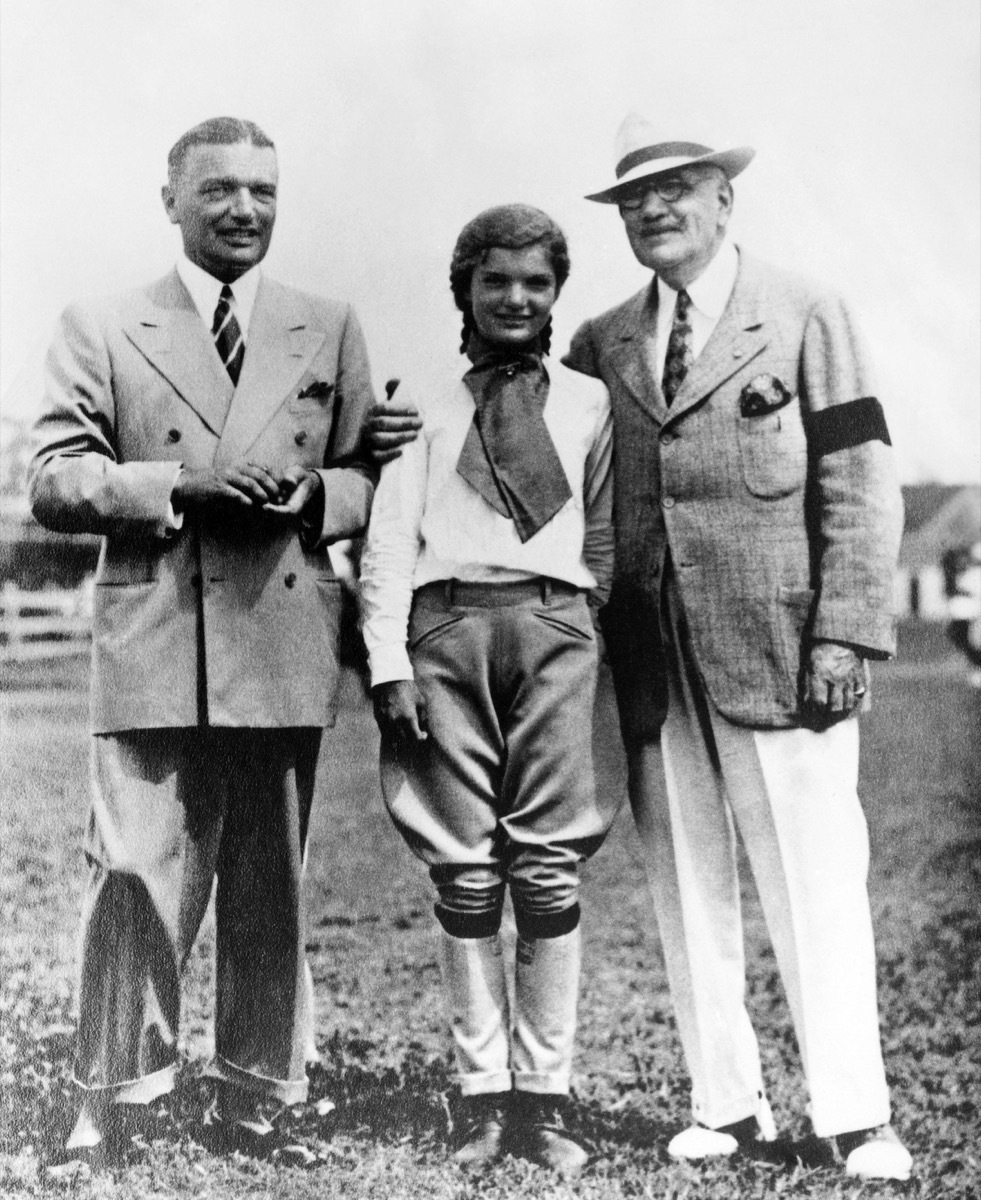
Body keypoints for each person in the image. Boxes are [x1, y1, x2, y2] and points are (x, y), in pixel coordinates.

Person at [366, 117, 912, 1183]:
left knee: (814, 879)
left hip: (783, 646)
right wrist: (382, 434)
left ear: (725, 199)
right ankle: (725, 1104)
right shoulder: (602, 341)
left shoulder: (805, 310)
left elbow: (860, 477)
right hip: (645, 659)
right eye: (638, 200)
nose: (659, 211)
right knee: (686, 882)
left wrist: (846, 627)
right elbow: (510, 431)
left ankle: (855, 1115)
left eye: (683, 189)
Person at [29, 116, 377, 1159]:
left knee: (269, 878)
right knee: (133, 870)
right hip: (155, 632)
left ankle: (260, 1092)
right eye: (221, 190)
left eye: (265, 192)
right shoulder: (103, 324)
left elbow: (367, 481)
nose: (245, 210)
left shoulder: (329, 324)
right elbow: (53, 477)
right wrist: (180, 484)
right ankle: (118, 1091)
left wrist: (314, 492)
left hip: (278, 633)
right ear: (170, 200)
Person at [359, 204, 615, 1181]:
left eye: (535, 282)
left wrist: (583, 628)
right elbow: (388, 537)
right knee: (464, 870)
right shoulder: (417, 395)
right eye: (495, 280)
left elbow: (600, 536)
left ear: (556, 292)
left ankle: (544, 1101)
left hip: (553, 630)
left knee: (548, 869)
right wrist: (389, 663)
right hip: (447, 633)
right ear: (463, 287)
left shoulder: (587, 402)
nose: (515, 298)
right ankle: (482, 1095)